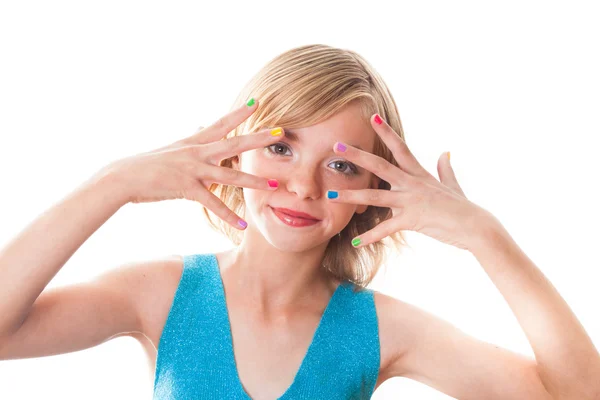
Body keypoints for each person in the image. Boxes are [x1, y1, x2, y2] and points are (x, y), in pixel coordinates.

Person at [0, 44, 598, 400]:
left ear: (371, 190)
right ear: (237, 151)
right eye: (282, 148)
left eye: (340, 164)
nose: (304, 187)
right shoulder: (157, 294)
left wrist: (486, 237)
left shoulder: (386, 329)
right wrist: (115, 184)